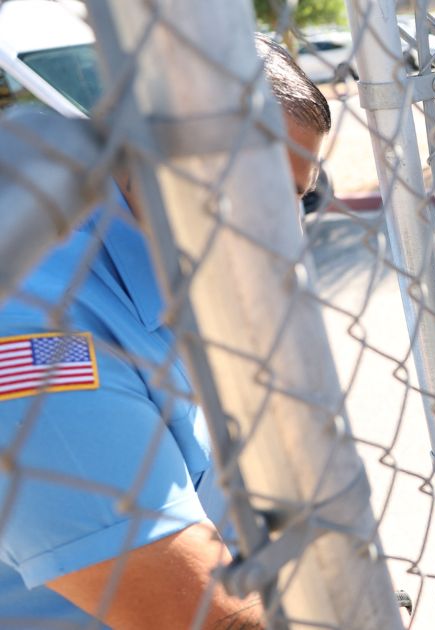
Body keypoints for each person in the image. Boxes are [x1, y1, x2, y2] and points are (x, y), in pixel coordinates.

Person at [0, 33, 330, 628]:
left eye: (294, 200)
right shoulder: (40, 334)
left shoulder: (190, 267)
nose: (282, 233)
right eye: (247, 187)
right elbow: (207, 617)